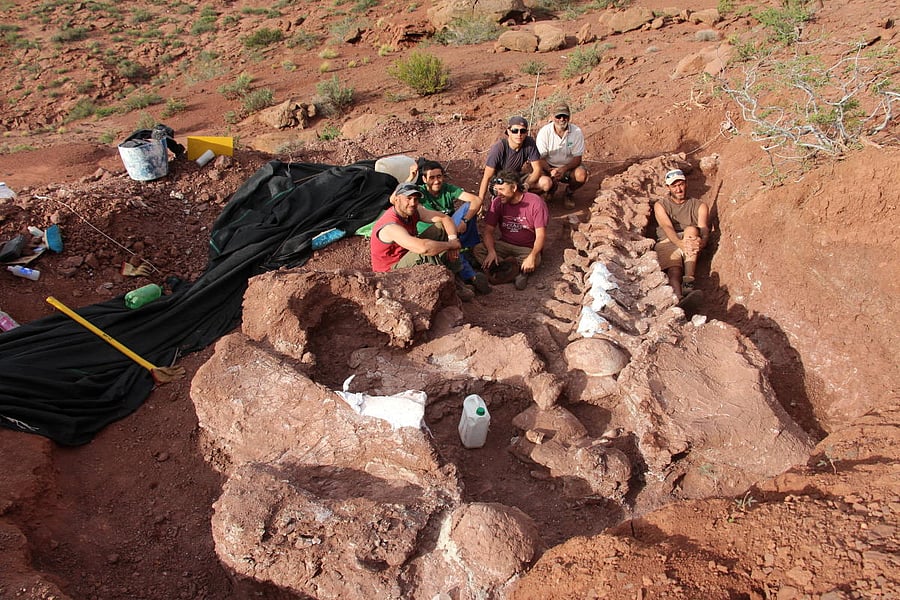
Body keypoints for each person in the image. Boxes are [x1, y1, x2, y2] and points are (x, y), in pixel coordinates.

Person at [370, 182, 476, 300]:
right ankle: (449, 287)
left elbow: (444, 218)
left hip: (407, 256)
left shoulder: (413, 211)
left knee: (441, 228)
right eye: (408, 198)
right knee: (424, 254)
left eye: (416, 199)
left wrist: (453, 240)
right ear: (397, 199)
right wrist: (450, 245)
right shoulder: (390, 226)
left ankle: (456, 277)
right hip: (389, 273)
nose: (413, 203)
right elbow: (424, 248)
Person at [408, 159, 490, 294]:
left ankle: (467, 255)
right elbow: (400, 195)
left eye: (439, 176)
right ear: (424, 179)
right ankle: (469, 276)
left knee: (469, 208)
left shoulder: (447, 189)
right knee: (448, 239)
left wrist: (464, 220)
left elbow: (476, 200)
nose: (436, 181)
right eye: (432, 177)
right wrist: (411, 178)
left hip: (451, 229)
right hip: (433, 233)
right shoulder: (419, 193)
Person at [473, 169, 549, 291]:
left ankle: (498, 271)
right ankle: (517, 274)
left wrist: (532, 255)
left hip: (526, 248)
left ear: (513, 188)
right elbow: (488, 231)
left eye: (502, 190)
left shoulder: (535, 202)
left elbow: (541, 236)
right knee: (479, 250)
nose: (498, 194)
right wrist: (492, 251)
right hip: (504, 244)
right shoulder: (497, 202)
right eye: (497, 190)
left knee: (535, 259)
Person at [654, 168, 710, 305]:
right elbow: (667, 227)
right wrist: (680, 244)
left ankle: (688, 286)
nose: (678, 189)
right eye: (674, 186)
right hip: (668, 240)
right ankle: (679, 299)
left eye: (680, 185)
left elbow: (703, 229)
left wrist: (702, 242)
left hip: (690, 241)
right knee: (674, 271)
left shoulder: (699, 205)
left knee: (691, 229)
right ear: (668, 188)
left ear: (686, 184)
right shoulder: (660, 205)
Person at [477, 116, 545, 204]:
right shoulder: (499, 147)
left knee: (545, 182)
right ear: (508, 131)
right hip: (500, 180)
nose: (519, 134)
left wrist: (526, 184)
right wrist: (479, 202)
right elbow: (487, 177)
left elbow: (537, 169)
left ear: (526, 133)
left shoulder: (529, 143)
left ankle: (528, 202)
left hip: (517, 177)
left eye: (522, 131)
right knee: (509, 192)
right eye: (515, 131)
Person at [535, 103, 589, 209]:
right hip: (548, 166)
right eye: (558, 116)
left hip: (568, 167)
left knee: (581, 174)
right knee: (536, 173)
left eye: (565, 116)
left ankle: (569, 193)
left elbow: (577, 158)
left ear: (569, 116)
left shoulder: (576, 132)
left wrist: (564, 169)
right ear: (552, 117)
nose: (562, 119)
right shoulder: (544, 132)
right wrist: (550, 170)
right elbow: (539, 158)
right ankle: (550, 189)